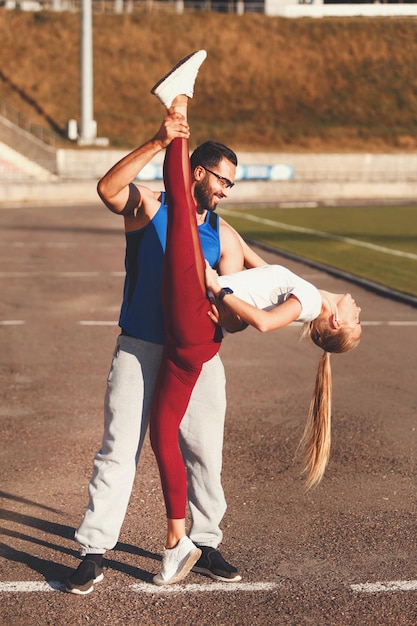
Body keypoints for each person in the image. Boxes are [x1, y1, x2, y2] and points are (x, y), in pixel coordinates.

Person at [146, 52, 362, 585]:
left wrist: (220, 287)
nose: (360, 310)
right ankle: (177, 541)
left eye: (355, 319)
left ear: (334, 321)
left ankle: (178, 100)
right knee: (161, 431)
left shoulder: (311, 305)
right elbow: (268, 282)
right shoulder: (313, 296)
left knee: (178, 205)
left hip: (196, 313)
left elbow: (264, 323)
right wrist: (238, 293)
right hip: (195, 335)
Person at [65, 50, 265, 595]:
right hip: (140, 345)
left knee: (203, 447)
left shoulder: (223, 236)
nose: (225, 191)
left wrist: (236, 311)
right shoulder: (152, 206)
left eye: (231, 186)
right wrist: (158, 141)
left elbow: (242, 303)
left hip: (198, 354)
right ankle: (94, 548)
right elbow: (107, 190)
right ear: (197, 173)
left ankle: (205, 540)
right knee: (119, 446)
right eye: (221, 181)